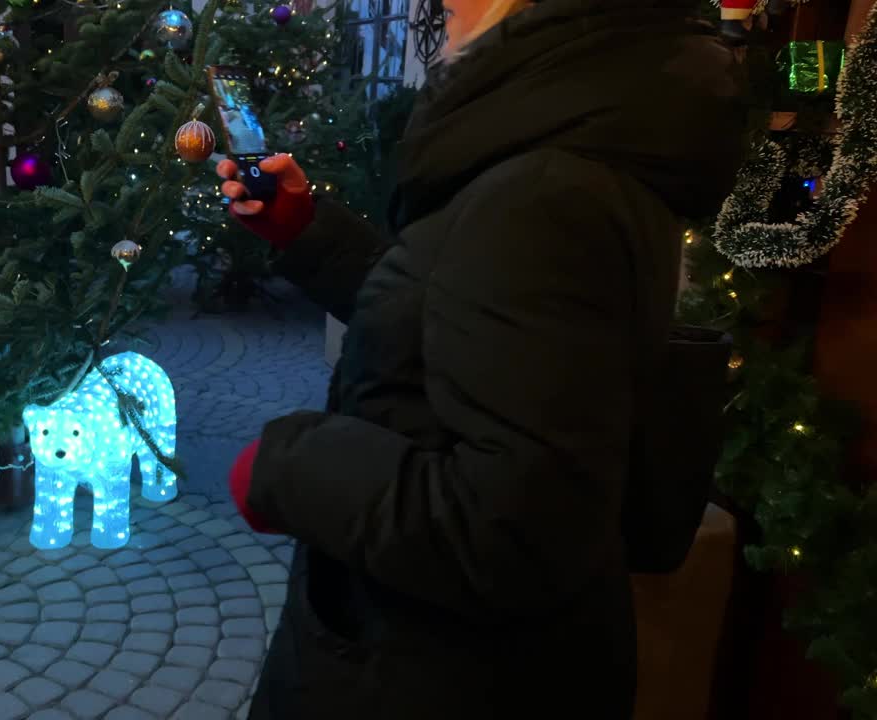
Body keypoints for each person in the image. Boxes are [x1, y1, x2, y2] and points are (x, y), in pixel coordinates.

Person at [221, 0, 751, 716]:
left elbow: (513, 533)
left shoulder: (545, 190)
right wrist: (312, 233)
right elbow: (460, 317)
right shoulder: (570, 141)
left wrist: (287, 466)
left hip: (432, 673)